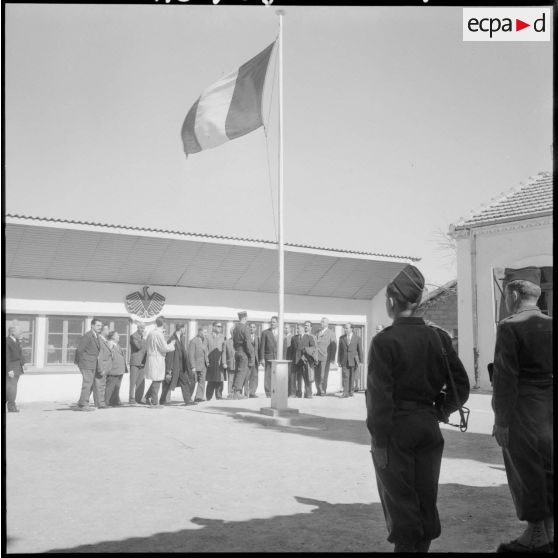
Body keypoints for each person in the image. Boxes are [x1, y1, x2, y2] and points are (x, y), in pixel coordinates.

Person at [366, 264, 470, 553]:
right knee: (426, 501)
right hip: (427, 427)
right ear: (418, 300)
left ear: (390, 302)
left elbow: (379, 400)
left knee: (401, 507)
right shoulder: (438, 338)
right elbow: (461, 386)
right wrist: (438, 412)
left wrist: (380, 441)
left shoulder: (383, 342)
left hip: (396, 432)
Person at [492, 267, 553, 553]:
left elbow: (505, 378)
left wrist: (501, 421)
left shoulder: (510, 326)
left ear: (514, 293)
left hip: (522, 410)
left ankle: (536, 534)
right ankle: (549, 531)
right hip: (549, 409)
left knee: (525, 469)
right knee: (549, 467)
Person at [144, 317, 176, 407]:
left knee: (156, 380)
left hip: (152, 358)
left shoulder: (151, 333)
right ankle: (154, 402)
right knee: (157, 380)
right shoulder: (158, 334)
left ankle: (150, 399)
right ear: (164, 323)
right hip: (157, 358)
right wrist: (172, 344)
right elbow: (164, 348)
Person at [161, 323, 195, 405]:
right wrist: (168, 370)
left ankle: (188, 400)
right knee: (167, 384)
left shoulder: (180, 338)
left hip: (181, 367)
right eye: (184, 328)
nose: (185, 330)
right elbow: (169, 356)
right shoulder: (172, 339)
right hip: (174, 367)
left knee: (185, 383)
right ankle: (161, 400)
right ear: (181, 329)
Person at [74, 318, 103, 411]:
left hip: (92, 364)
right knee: (87, 384)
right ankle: (83, 405)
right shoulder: (88, 336)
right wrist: (80, 362)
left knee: (89, 384)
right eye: (98, 325)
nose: (100, 327)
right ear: (92, 325)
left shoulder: (96, 336)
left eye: (101, 326)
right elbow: (79, 350)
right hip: (86, 364)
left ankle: (81, 403)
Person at [228, 311, 255, 399]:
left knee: (237, 371)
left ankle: (233, 391)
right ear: (245, 318)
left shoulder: (235, 328)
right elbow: (248, 343)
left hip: (237, 351)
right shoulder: (245, 328)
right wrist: (251, 355)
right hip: (244, 352)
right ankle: (237, 392)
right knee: (242, 371)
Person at [290, 322, 316, 399]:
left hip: (305, 360)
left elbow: (313, 349)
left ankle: (308, 393)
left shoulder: (309, 337)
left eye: (300, 329)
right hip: (296, 361)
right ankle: (295, 393)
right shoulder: (294, 338)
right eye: (297, 329)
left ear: (303, 329)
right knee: (295, 378)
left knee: (307, 377)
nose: (298, 330)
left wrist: (306, 353)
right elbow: (292, 350)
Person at [338, 323, 363, 398]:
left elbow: (360, 350)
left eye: (347, 328)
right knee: (345, 376)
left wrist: (361, 361)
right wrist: (338, 360)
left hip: (354, 360)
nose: (345, 329)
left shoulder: (357, 338)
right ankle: (345, 393)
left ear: (351, 329)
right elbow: (340, 350)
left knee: (352, 376)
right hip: (344, 359)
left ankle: (350, 391)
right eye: (345, 328)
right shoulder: (341, 338)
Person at [314, 317, 337, 396]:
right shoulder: (317, 332)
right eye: (321, 321)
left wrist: (332, 358)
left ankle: (323, 390)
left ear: (327, 324)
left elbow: (334, 347)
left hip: (325, 357)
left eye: (323, 322)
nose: (321, 323)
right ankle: (318, 390)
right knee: (316, 375)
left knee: (323, 375)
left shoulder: (331, 333)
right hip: (316, 357)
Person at [105, 331, 128, 406]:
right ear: (112, 337)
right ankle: (106, 402)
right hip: (113, 369)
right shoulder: (110, 344)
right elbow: (107, 356)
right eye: (117, 335)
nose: (119, 336)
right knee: (110, 387)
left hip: (119, 369)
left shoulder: (116, 344)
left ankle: (115, 401)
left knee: (117, 387)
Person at [6, 326, 25, 413]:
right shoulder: (7, 341)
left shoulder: (16, 341)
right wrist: (9, 370)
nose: (21, 333)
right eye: (19, 332)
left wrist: (23, 364)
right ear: (12, 332)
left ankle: (11, 405)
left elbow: (20, 354)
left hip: (17, 368)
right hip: (11, 369)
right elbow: (6, 357)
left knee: (12, 388)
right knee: (12, 388)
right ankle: (11, 407)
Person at [205, 322, 227, 401]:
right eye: (218, 326)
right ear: (213, 327)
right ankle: (208, 397)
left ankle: (219, 395)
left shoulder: (223, 337)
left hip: (220, 362)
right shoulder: (208, 337)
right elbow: (206, 349)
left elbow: (225, 350)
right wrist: (206, 360)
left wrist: (224, 361)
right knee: (211, 380)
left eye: (221, 327)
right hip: (211, 362)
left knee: (220, 379)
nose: (219, 328)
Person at [260, 316, 279, 398]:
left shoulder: (281, 333)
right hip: (268, 357)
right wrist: (262, 358)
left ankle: (276, 392)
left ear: (278, 323)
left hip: (278, 358)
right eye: (271, 322)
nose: (272, 323)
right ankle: (268, 392)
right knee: (268, 376)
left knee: (278, 375)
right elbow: (262, 346)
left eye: (274, 322)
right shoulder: (265, 333)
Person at [189, 327, 209, 402]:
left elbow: (206, 352)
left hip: (204, 364)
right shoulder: (193, 341)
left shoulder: (205, 341)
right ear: (200, 332)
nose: (206, 334)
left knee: (202, 381)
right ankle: (188, 397)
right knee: (193, 382)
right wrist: (193, 366)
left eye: (206, 332)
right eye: (204, 332)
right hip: (196, 365)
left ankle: (198, 397)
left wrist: (207, 361)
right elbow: (191, 355)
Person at [129, 322, 147, 404]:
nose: (143, 330)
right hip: (135, 362)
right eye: (141, 328)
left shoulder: (142, 338)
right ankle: (131, 398)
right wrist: (143, 339)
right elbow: (138, 347)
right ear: (138, 328)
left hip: (143, 362)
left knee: (140, 381)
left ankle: (138, 398)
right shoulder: (133, 336)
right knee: (133, 381)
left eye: (143, 328)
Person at [94, 324, 112, 409]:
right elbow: (99, 356)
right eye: (107, 329)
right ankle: (100, 403)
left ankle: (100, 403)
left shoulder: (104, 340)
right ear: (103, 331)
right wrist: (100, 369)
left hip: (106, 367)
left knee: (101, 385)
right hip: (102, 367)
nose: (109, 331)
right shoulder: (100, 340)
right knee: (100, 386)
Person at [245, 322, 260, 398]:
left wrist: (260, 359)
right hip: (247, 360)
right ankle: (246, 393)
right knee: (247, 376)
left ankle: (252, 392)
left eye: (254, 327)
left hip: (255, 360)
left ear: (256, 329)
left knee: (254, 376)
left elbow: (259, 349)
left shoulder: (257, 337)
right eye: (251, 327)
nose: (252, 328)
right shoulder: (246, 337)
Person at [283, 324, 296, 397]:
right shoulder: (283, 337)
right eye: (284, 328)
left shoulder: (292, 337)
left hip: (290, 360)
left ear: (290, 329)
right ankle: (286, 392)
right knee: (284, 377)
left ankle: (292, 392)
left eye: (287, 328)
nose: (285, 329)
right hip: (284, 360)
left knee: (291, 376)